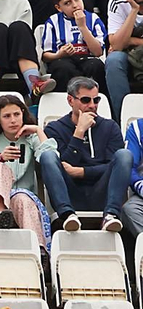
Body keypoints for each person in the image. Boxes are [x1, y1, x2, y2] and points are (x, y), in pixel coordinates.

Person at [43, 77, 129, 235]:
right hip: (69, 192)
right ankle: (67, 214)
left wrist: (82, 172)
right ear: (70, 100)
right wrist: (79, 132)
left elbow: (115, 167)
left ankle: (111, 215)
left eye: (96, 100)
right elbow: (61, 166)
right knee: (48, 156)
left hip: (103, 191)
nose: (92, 105)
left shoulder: (110, 127)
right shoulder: (54, 129)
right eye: (85, 100)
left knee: (124, 155)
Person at [0, 93, 56, 243]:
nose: (13, 120)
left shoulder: (31, 137)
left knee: (24, 200)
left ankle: (38, 249)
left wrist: (38, 130)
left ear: (23, 114)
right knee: (0, 167)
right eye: (6, 116)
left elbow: (50, 157)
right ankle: (1, 213)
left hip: (20, 195)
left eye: (17, 114)